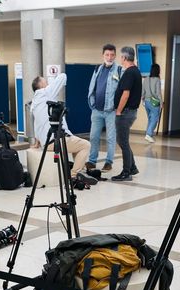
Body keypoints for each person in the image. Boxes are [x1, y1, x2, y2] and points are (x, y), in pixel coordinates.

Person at [30, 73, 97, 190]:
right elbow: (63, 76)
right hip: (57, 140)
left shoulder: (35, 103)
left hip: (48, 142)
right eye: (45, 81)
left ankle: (79, 172)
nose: (48, 83)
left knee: (78, 143)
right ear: (41, 85)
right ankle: (73, 176)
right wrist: (54, 78)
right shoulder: (46, 92)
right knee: (86, 145)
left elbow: (37, 125)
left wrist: (37, 143)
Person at [85, 44, 121, 177]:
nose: (110, 57)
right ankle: (92, 161)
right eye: (107, 55)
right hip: (97, 110)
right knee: (94, 136)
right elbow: (92, 87)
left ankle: (109, 162)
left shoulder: (119, 70)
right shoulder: (98, 69)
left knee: (111, 138)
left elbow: (123, 91)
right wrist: (92, 103)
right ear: (103, 55)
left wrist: (118, 108)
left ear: (115, 55)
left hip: (111, 111)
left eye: (112, 55)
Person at [111, 46, 142, 182]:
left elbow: (126, 93)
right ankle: (133, 167)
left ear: (123, 57)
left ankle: (126, 172)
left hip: (125, 112)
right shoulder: (135, 71)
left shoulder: (129, 72)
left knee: (122, 141)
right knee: (123, 141)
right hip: (130, 111)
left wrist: (118, 110)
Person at [143, 63, 163, 143]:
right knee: (154, 118)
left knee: (150, 119)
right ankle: (148, 134)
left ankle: (148, 135)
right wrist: (161, 103)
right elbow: (158, 93)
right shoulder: (157, 79)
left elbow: (143, 91)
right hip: (154, 102)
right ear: (157, 70)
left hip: (146, 102)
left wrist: (142, 100)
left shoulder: (146, 79)